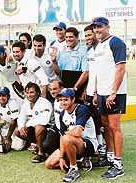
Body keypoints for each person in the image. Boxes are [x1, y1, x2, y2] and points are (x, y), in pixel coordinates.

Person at [91, 17, 127, 179]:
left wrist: (113, 92)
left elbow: (120, 69)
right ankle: (110, 157)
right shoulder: (99, 45)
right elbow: (99, 71)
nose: (97, 29)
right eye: (95, 27)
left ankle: (118, 165)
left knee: (114, 127)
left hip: (114, 93)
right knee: (105, 125)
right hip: (102, 93)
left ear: (107, 26)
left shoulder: (116, 42)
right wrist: (97, 92)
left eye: (99, 26)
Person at [45, 88, 98, 182]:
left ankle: (73, 169)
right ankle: (78, 161)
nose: (62, 102)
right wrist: (61, 157)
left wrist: (65, 134)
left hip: (88, 144)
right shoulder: (62, 114)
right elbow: (62, 136)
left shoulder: (81, 109)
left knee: (67, 138)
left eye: (66, 99)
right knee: (49, 164)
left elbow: (77, 132)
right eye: (60, 100)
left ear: (73, 99)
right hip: (70, 141)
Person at [83, 25, 106, 161]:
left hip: (100, 91)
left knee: (102, 121)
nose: (88, 38)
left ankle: (104, 148)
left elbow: (101, 73)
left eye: (89, 35)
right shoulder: (89, 50)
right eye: (85, 35)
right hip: (91, 91)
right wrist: (87, 88)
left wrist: (97, 92)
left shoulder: (102, 49)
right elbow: (91, 72)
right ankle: (98, 146)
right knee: (94, 121)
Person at [14, 82, 52, 163]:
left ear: (38, 93)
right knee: (17, 131)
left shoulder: (44, 102)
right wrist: (21, 127)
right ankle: (38, 146)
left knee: (39, 128)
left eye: (31, 92)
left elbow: (45, 120)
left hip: (49, 131)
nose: (29, 95)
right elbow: (21, 117)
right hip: (35, 129)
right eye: (27, 92)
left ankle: (41, 153)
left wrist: (27, 124)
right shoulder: (26, 103)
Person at [51, 27, 89, 101]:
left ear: (77, 37)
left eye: (71, 37)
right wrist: (54, 62)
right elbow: (58, 72)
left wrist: (75, 88)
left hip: (78, 87)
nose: (68, 39)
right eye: (67, 37)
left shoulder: (83, 51)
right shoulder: (62, 52)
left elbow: (86, 73)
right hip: (65, 87)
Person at [0, 87, 21, 152]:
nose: (1, 98)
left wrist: (8, 138)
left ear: (8, 96)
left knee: (17, 147)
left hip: (15, 128)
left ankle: (25, 142)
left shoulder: (13, 103)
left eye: (4, 95)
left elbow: (14, 122)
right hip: (4, 128)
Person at [42, 79, 63, 156]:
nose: (52, 92)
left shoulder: (67, 101)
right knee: (46, 146)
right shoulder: (55, 99)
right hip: (57, 128)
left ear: (61, 88)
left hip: (68, 131)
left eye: (55, 89)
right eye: (50, 89)